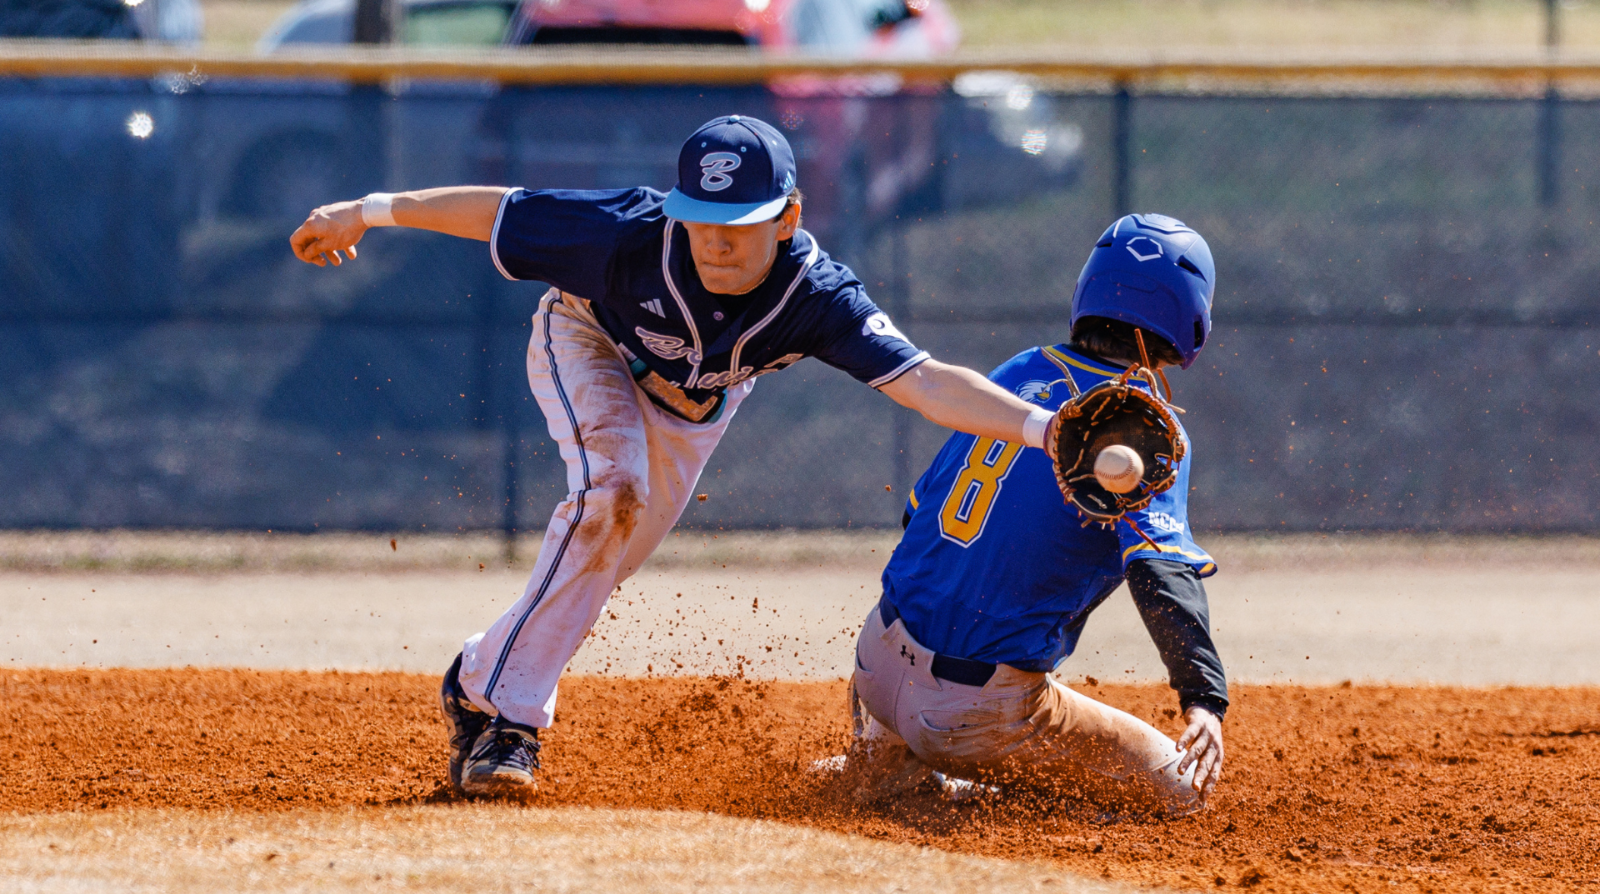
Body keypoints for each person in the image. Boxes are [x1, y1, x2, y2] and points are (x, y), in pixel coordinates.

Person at [290, 115, 1064, 797]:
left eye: (743, 219)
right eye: (700, 216)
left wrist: (1047, 430)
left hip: (694, 410)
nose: (716, 239)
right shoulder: (629, 232)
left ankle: (474, 682)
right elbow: (499, 210)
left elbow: (926, 382)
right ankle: (510, 724)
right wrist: (366, 212)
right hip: (585, 339)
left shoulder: (817, 296)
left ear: (790, 217)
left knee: (605, 559)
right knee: (611, 495)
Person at [839, 213, 1228, 819]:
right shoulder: (1146, 430)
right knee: (1184, 790)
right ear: (1192, 319)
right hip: (972, 713)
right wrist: (1203, 698)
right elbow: (1162, 575)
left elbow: (920, 510)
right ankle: (959, 775)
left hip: (874, 661)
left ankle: (887, 758)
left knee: (909, 756)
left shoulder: (1018, 371)